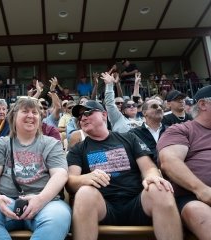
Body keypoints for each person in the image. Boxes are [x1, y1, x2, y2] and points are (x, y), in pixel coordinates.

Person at [66, 100, 182, 240]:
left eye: (88, 113)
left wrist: (152, 176)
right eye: (79, 117)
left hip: (137, 202)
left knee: (159, 187)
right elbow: (71, 181)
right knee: (84, 193)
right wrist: (84, 178)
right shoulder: (78, 149)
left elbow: (149, 168)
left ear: (104, 115)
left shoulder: (129, 138)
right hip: (103, 207)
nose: (83, 118)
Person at [0, 97, 71, 240]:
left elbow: (60, 175)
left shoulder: (52, 144)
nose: (31, 116)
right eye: (25, 111)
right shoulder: (0, 144)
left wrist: (41, 199)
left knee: (58, 218)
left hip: (46, 203)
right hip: (7, 202)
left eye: (35, 113)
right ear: (13, 116)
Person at [157, 85, 211, 240]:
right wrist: (202, 190)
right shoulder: (181, 130)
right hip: (196, 197)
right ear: (202, 104)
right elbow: (169, 161)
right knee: (197, 212)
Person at [130, 98, 166, 164]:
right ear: (144, 112)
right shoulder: (134, 134)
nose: (159, 108)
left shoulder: (171, 131)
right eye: (154, 106)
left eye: (161, 106)